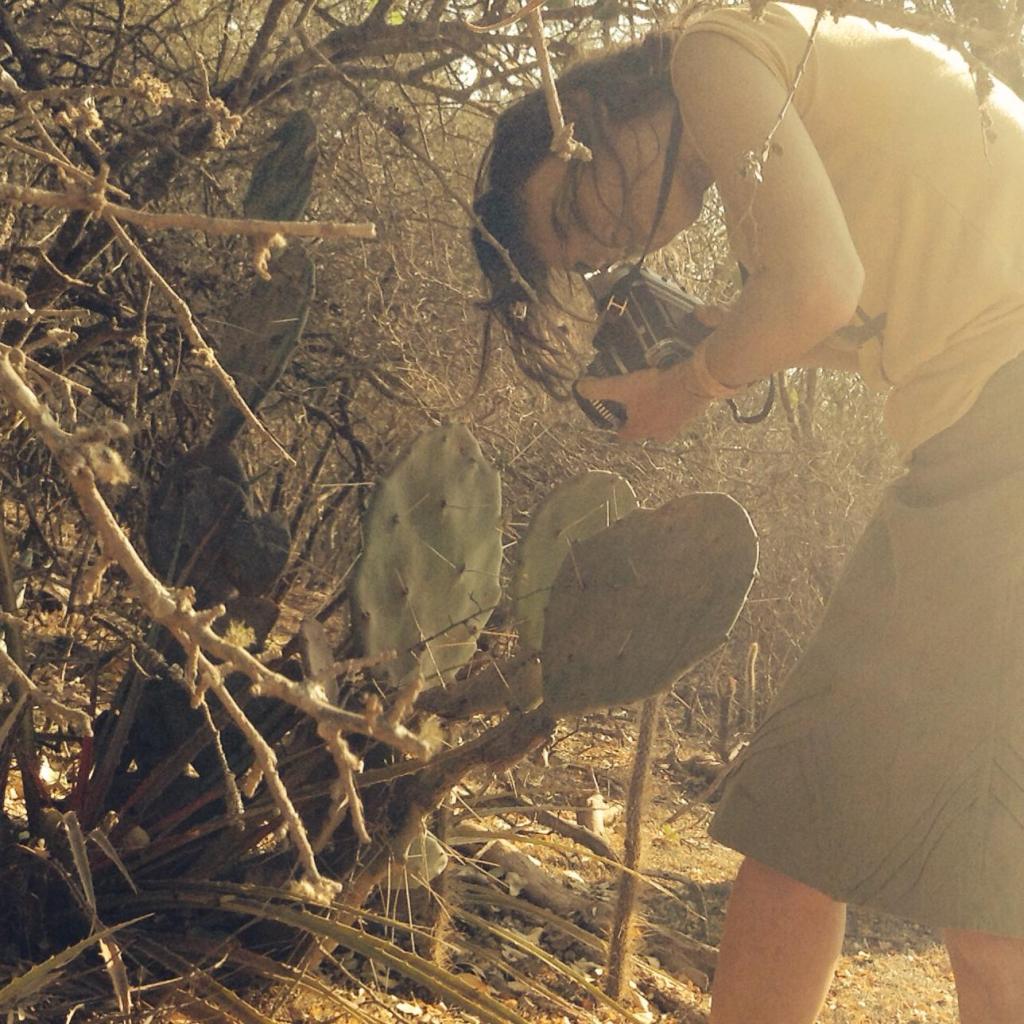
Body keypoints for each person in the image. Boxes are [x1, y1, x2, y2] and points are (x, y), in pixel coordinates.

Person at [469, 4, 1024, 1022]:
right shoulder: (765, 146)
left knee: (978, 892)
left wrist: (693, 385)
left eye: (579, 205)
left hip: (1001, 429)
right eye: (582, 250)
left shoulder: (711, 48)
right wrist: (714, 340)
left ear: (586, 112)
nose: (605, 241)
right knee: (803, 820)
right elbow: (854, 321)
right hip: (972, 433)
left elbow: (821, 285)